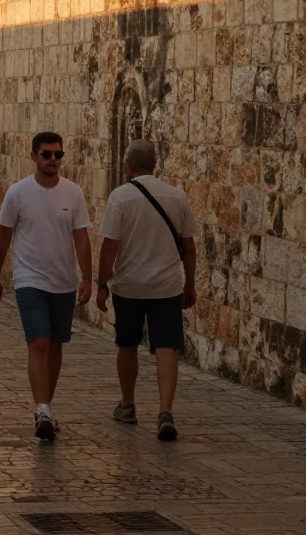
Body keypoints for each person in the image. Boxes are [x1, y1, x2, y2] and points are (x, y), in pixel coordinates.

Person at [0, 132, 92, 442]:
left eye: (58, 155)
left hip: (64, 282)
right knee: (39, 343)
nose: (53, 161)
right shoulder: (18, 193)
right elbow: (3, 238)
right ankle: (42, 407)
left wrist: (87, 276)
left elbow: (82, 237)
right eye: (46, 155)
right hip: (29, 280)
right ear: (33, 156)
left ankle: (46, 406)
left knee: (56, 345)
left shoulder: (72, 193)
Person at [96, 138, 198, 441]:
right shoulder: (177, 197)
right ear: (155, 163)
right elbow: (189, 247)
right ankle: (165, 411)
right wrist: (189, 283)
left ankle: (127, 405)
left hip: (129, 286)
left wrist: (102, 284)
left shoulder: (120, 197)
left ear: (128, 164)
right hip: (167, 287)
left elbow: (110, 245)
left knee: (127, 345)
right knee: (166, 347)